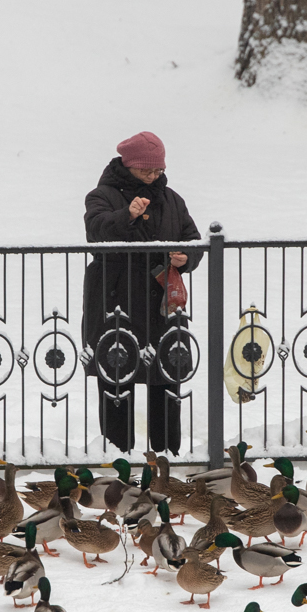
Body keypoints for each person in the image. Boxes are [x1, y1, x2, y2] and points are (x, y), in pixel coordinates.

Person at [82, 131, 202, 453]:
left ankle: (167, 460)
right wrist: (128, 215)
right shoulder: (101, 195)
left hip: (161, 305)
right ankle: (118, 463)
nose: (154, 176)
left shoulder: (172, 200)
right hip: (115, 302)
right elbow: (96, 233)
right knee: (116, 380)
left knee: (166, 378)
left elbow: (193, 239)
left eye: (158, 171)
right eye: (147, 171)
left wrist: (187, 257)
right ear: (128, 165)